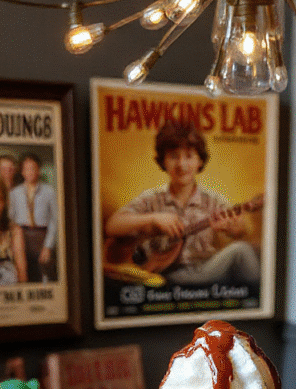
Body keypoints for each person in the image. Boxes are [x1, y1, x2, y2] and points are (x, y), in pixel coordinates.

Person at [104, 119, 260, 288]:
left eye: (189, 156)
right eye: (173, 156)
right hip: (162, 276)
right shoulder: (152, 200)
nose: (181, 164)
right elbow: (112, 225)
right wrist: (153, 219)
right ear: (163, 161)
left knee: (242, 251)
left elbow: (241, 229)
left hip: (204, 273)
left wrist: (233, 228)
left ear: (200, 161)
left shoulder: (212, 201)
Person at [8, 153, 58, 282]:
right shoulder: (14, 193)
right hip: (22, 236)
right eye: (27, 169)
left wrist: (48, 246)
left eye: (33, 168)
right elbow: (11, 219)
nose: (30, 172)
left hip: (42, 235)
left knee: (46, 274)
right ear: (22, 172)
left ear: (39, 170)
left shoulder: (49, 192)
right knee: (24, 273)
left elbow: (55, 221)